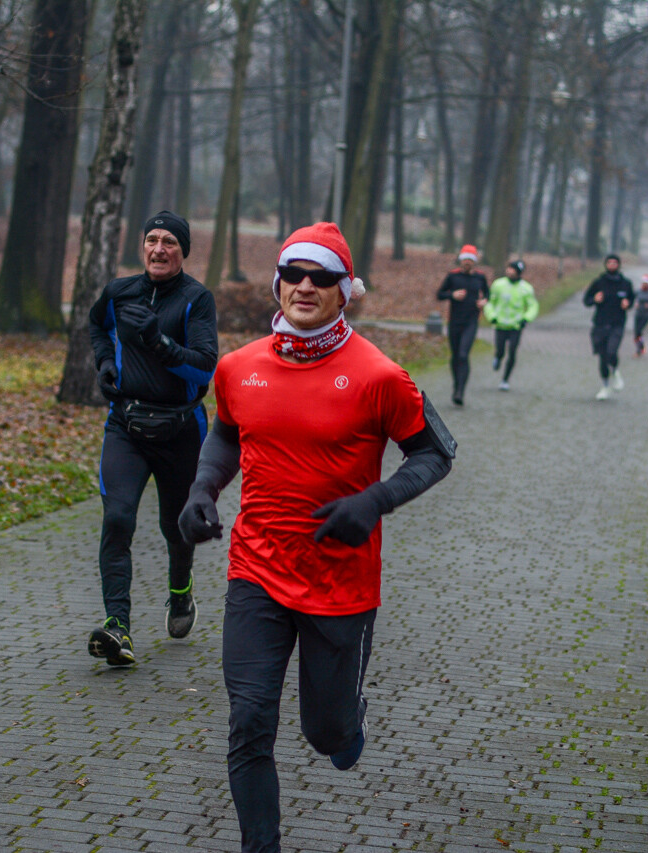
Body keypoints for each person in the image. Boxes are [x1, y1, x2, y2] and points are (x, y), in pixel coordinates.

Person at [177, 222, 454, 853]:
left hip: (340, 582)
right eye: (294, 274)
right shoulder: (238, 366)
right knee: (249, 722)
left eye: (322, 277)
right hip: (256, 570)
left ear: (344, 291)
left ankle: (346, 723)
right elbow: (226, 435)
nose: (305, 286)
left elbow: (436, 453)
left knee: (326, 735)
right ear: (278, 283)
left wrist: (373, 501)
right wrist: (201, 491)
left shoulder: (382, 375)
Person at [85, 211, 218, 667]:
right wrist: (105, 363)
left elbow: (204, 366)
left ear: (183, 251)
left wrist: (158, 342)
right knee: (118, 517)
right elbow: (96, 326)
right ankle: (117, 626)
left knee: (175, 527)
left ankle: (180, 592)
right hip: (126, 425)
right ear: (142, 246)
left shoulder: (196, 299)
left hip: (180, 429)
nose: (159, 249)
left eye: (169, 242)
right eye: (151, 240)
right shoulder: (119, 292)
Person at [436, 244, 489, 405]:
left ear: (474, 262)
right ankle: (456, 384)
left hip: (471, 321)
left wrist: (484, 301)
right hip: (454, 321)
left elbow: (488, 293)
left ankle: (460, 391)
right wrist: (453, 294)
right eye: (465, 259)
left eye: (470, 260)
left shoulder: (480, 277)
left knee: (463, 354)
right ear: (461, 260)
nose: (467, 262)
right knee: (455, 355)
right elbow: (440, 294)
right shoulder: (453, 276)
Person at [581, 253, 635, 399]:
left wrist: (628, 304)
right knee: (602, 357)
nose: (611, 265)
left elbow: (631, 299)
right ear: (605, 265)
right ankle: (605, 386)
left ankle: (616, 372)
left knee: (612, 351)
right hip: (600, 324)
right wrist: (595, 299)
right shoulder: (599, 282)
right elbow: (586, 300)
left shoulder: (625, 283)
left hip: (617, 324)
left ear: (618, 265)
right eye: (609, 262)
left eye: (614, 263)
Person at [484, 259, 539, 390]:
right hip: (500, 324)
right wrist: (492, 316)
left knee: (513, 351)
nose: (509, 271)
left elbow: (533, 306)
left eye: (513, 269)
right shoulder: (498, 285)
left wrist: (526, 319)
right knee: (501, 349)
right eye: (509, 268)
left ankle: (505, 379)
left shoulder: (526, 288)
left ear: (519, 273)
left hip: (516, 325)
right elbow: (490, 302)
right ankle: (497, 357)